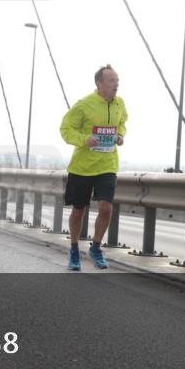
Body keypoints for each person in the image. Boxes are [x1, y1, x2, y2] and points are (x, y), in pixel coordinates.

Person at [60, 65, 128, 271]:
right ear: (99, 84)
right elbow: (65, 128)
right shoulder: (84, 105)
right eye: (111, 81)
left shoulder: (120, 103)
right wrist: (83, 139)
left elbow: (122, 122)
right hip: (82, 167)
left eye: (117, 80)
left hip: (107, 164)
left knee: (106, 207)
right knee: (79, 211)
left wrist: (120, 135)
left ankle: (96, 247)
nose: (116, 84)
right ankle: (73, 248)